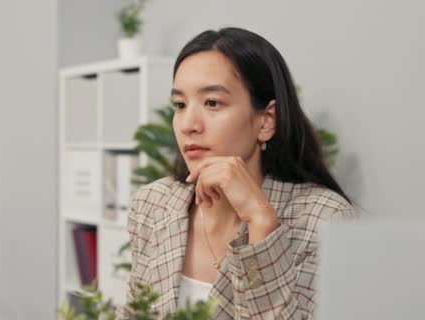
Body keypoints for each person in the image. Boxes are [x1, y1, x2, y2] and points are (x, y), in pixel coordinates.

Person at [116, 27, 356, 320]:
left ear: (266, 120)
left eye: (212, 103)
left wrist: (261, 221)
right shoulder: (152, 203)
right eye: (180, 104)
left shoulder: (322, 219)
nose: (188, 124)